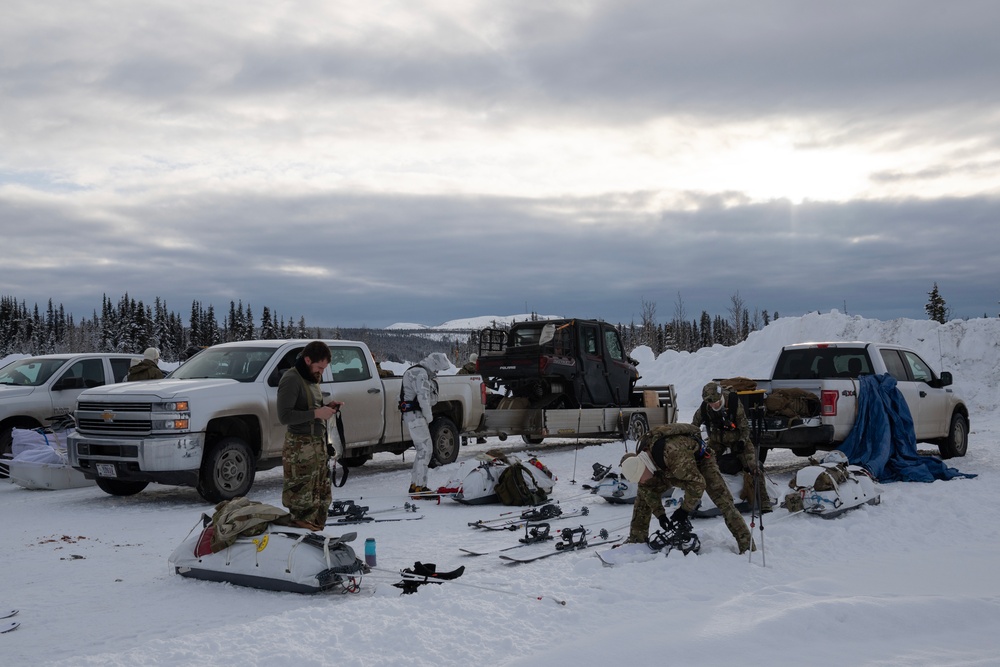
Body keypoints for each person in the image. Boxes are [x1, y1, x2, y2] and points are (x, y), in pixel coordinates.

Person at [620, 423, 754, 554]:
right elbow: (646, 490)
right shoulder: (642, 457)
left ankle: (747, 546)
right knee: (644, 491)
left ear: (643, 469)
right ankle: (637, 539)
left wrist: (684, 510)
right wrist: (660, 514)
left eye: (640, 477)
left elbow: (697, 483)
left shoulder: (672, 453)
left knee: (724, 501)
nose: (641, 481)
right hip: (667, 467)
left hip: (701, 462)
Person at [277, 341, 343, 531]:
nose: (321, 372)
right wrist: (316, 414)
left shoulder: (312, 379)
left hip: (316, 447)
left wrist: (328, 408)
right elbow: (284, 416)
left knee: (320, 498)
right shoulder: (291, 379)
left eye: (324, 368)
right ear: (307, 360)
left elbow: (311, 408)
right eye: (319, 367)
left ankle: (315, 536)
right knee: (302, 501)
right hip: (299, 449)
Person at [691, 381, 772, 513]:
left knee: (753, 467)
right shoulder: (704, 408)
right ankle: (696, 499)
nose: (713, 405)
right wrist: (697, 444)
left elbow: (745, 428)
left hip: (738, 439)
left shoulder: (733, 403)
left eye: (716, 402)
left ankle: (764, 501)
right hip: (717, 440)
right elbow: (694, 426)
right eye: (710, 404)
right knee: (703, 463)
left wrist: (742, 442)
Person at [400, 352, 451, 498]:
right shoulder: (421, 373)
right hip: (417, 416)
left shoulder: (416, 371)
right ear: (434, 364)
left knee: (421, 450)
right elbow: (423, 397)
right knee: (426, 450)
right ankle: (420, 487)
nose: (437, 372)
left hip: (412, 415)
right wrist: (429, 417)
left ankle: (415, 485)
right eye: (437, 369)